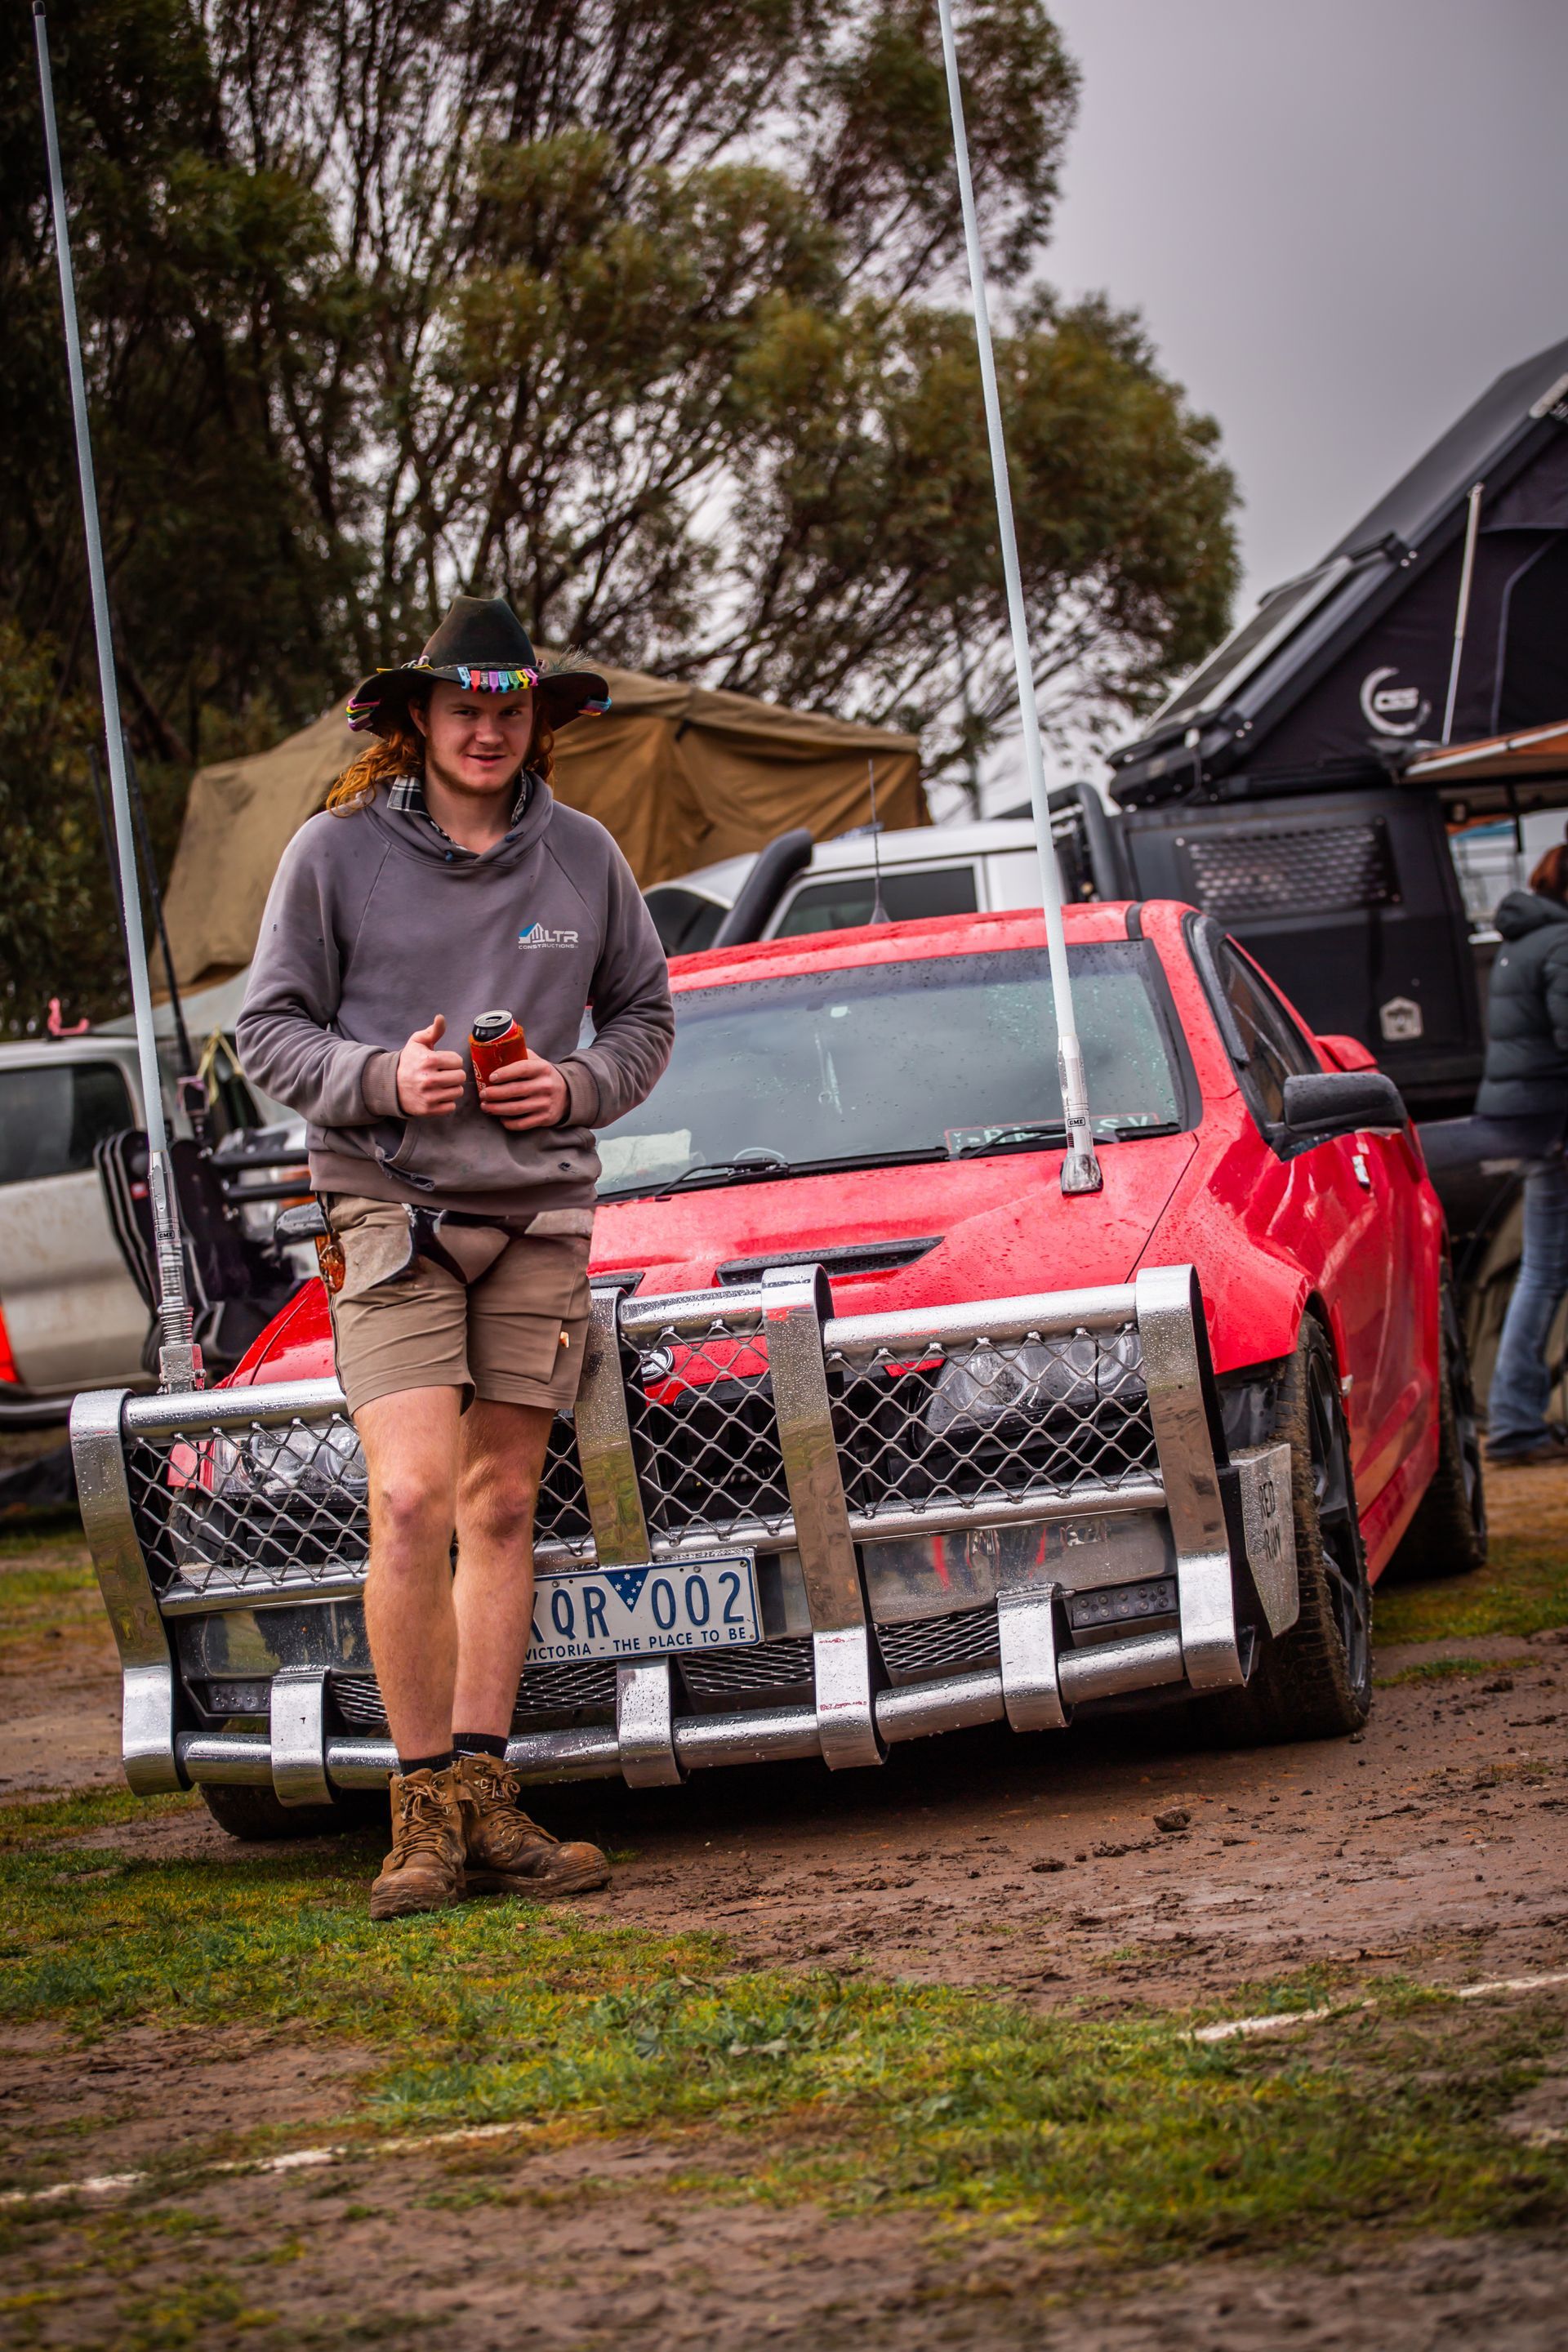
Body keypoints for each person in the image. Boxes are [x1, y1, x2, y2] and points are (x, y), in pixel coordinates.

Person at [238, 596, 674, 1916]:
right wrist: (385, 1076)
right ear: (418, 718)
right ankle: (418, 1813)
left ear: (538, 719)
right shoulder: (332, 856)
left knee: (499, 1507)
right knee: (412, 1500)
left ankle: (487, 1800)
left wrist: (578, 1085)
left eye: (510, 707)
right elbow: (268, 1034)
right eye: (463, 707)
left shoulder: (585, 859)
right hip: (387, 1210)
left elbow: (647, 1017)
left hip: (538, 1216)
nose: (487, 729)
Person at [1476, 837, 1568, 1466]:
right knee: (1544, 1272)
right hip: (1557, 1122)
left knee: (1541, 1270)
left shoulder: (1519, 941)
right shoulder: (1559, 943)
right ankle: (1514, 1419)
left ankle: (1515, 1418)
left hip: (1531, 1121)